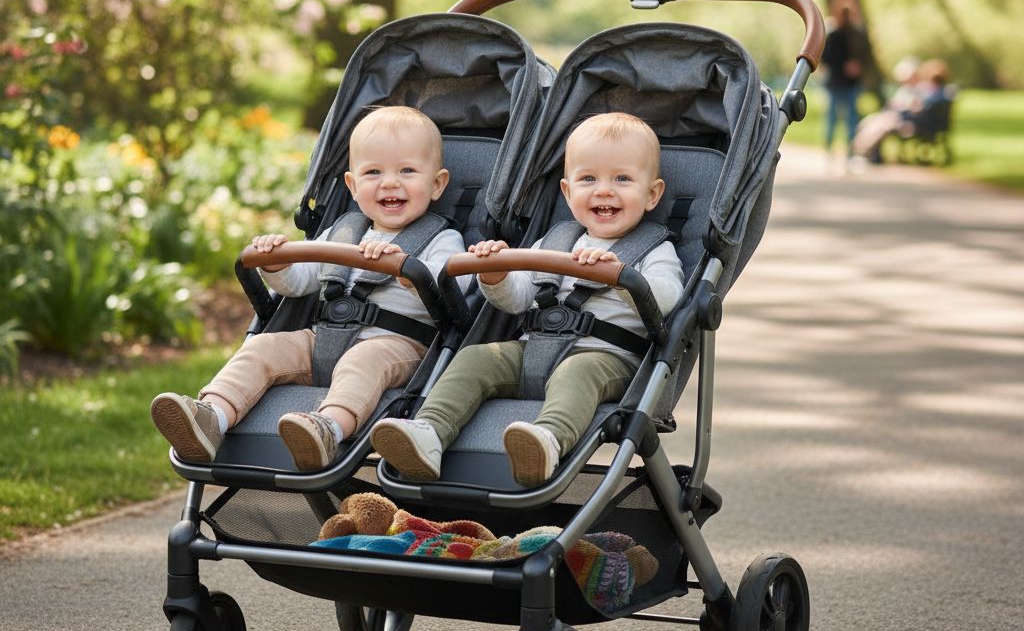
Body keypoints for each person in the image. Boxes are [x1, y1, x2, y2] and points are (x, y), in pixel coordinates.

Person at [370, 112, 685, 488]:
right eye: (588, 179)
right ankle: (429, 433)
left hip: (607, 359)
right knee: (475, 358)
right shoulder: (554, 242)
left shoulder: (655, 248)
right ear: (567, 193)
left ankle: (547, 441)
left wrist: (623, 279)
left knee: (577, 374)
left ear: (652, 195)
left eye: (622, 179)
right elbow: (517, 299)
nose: (603, 190)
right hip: (532, 351)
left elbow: (667, 299)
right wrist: (496, 275)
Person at [150, 106, 470, 470]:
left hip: (396, 345)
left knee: (362, 362)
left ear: (437, 184)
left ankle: (327, 428)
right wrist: (278, 263)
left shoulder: (443, 238)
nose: (389, 183)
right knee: (264, 346)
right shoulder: (342, 231)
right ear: (351, 186)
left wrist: (406, 271)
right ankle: (211, 417)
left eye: (407, 171)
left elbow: (455, 292)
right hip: (322, 338)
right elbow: (300, 284)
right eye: (373, 172)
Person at [851, 58, 950, 163]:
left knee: (881, 124)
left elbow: (921, 109)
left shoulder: (933, 94)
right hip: (905, 118)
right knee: (871, 122)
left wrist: (911, 107)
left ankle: (862, 152)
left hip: (913, 123)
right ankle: (862, 152)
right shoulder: (937, 93)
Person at [821, 0, 869, 165]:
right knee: (832, 120)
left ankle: (849, 156)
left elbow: (864, 57)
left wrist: (857, 67)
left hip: (851, 84)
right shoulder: (832, 34)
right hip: (835, 83)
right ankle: (829, 154)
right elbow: (825, 58)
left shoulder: (858, 34)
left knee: (851, 121)